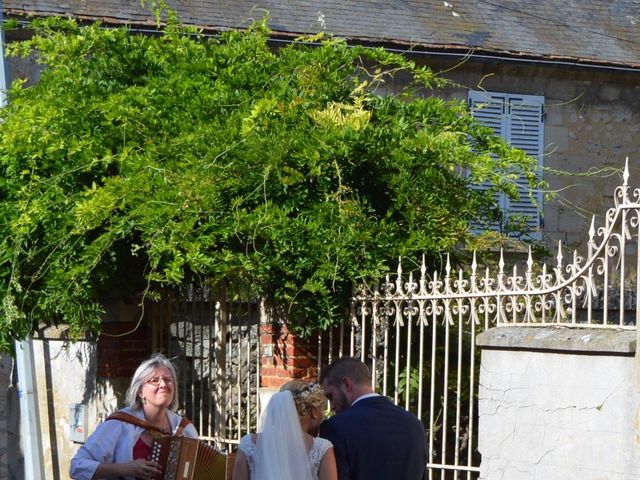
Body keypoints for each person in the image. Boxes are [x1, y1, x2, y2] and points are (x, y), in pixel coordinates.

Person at [70, 353, 198, 480]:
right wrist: (126, 469)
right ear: (140, 391)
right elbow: (77, 467)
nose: (163, 385)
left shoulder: (185, 429)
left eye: (168, 380)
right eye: (155, 380)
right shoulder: (120, 423)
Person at [319, 357, 427, 480]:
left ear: (346, 384)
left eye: (330, 396)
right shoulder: (414, 424)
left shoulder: (335, 427)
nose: (331, 406)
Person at [232, 380, 338, 480]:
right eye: (321, 410)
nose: (322, 416)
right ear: (313, 411)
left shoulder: (248, 445)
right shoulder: (322, 448)